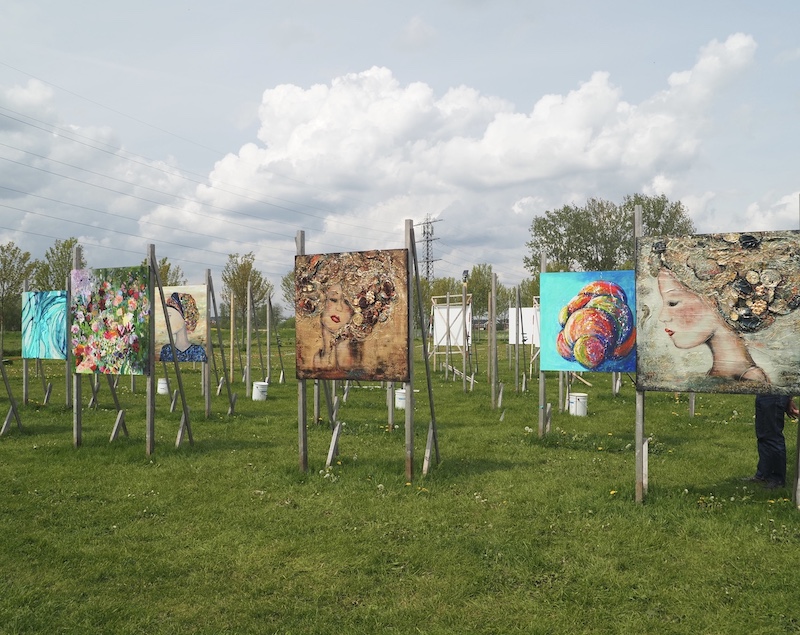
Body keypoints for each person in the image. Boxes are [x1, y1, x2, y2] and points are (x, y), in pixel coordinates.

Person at [647, 231, 800, 386]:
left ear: (715, 300)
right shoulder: (717, 374)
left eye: (673, 303)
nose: (663, 316)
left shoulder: (750, 379)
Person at [746, 394, 799, 489]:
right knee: (763, 435)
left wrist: (788, 398)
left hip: (775, 395)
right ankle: (763, 474)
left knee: (773, 436)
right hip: (763, 392)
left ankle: (777, 479)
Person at [159, 292, 208, 362]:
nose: (167, 321)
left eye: (169, 316)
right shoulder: (166, 351)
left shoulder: (198, 352)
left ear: (185, 318)